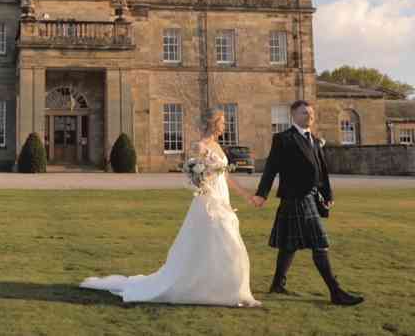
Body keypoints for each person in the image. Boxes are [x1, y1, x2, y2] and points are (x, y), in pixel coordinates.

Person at [80, 108, 260, 307]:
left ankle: (225, 289)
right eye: (223, 122)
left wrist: (245, 195)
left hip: (222, 199)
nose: (225, 125)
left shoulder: (218, 146)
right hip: (208, 201)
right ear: (213, 122)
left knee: (225, 242)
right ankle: (212, 288)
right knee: (218, 241)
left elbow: (225, 176)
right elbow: (195, 176)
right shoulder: (200, 146)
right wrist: (203, 180)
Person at [251, 100, 364, 306]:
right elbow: (271, 169)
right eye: (304, 113)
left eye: (311, 113)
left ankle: (277, 284)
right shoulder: (283, 139)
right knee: (320, 242)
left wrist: (327, 195)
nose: (309, 116)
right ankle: (336, 292)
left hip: (311, 197)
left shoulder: (314, 139)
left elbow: (322, 171)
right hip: (295, 197)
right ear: (293, 115)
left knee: (289, 244)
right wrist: (262, 194)